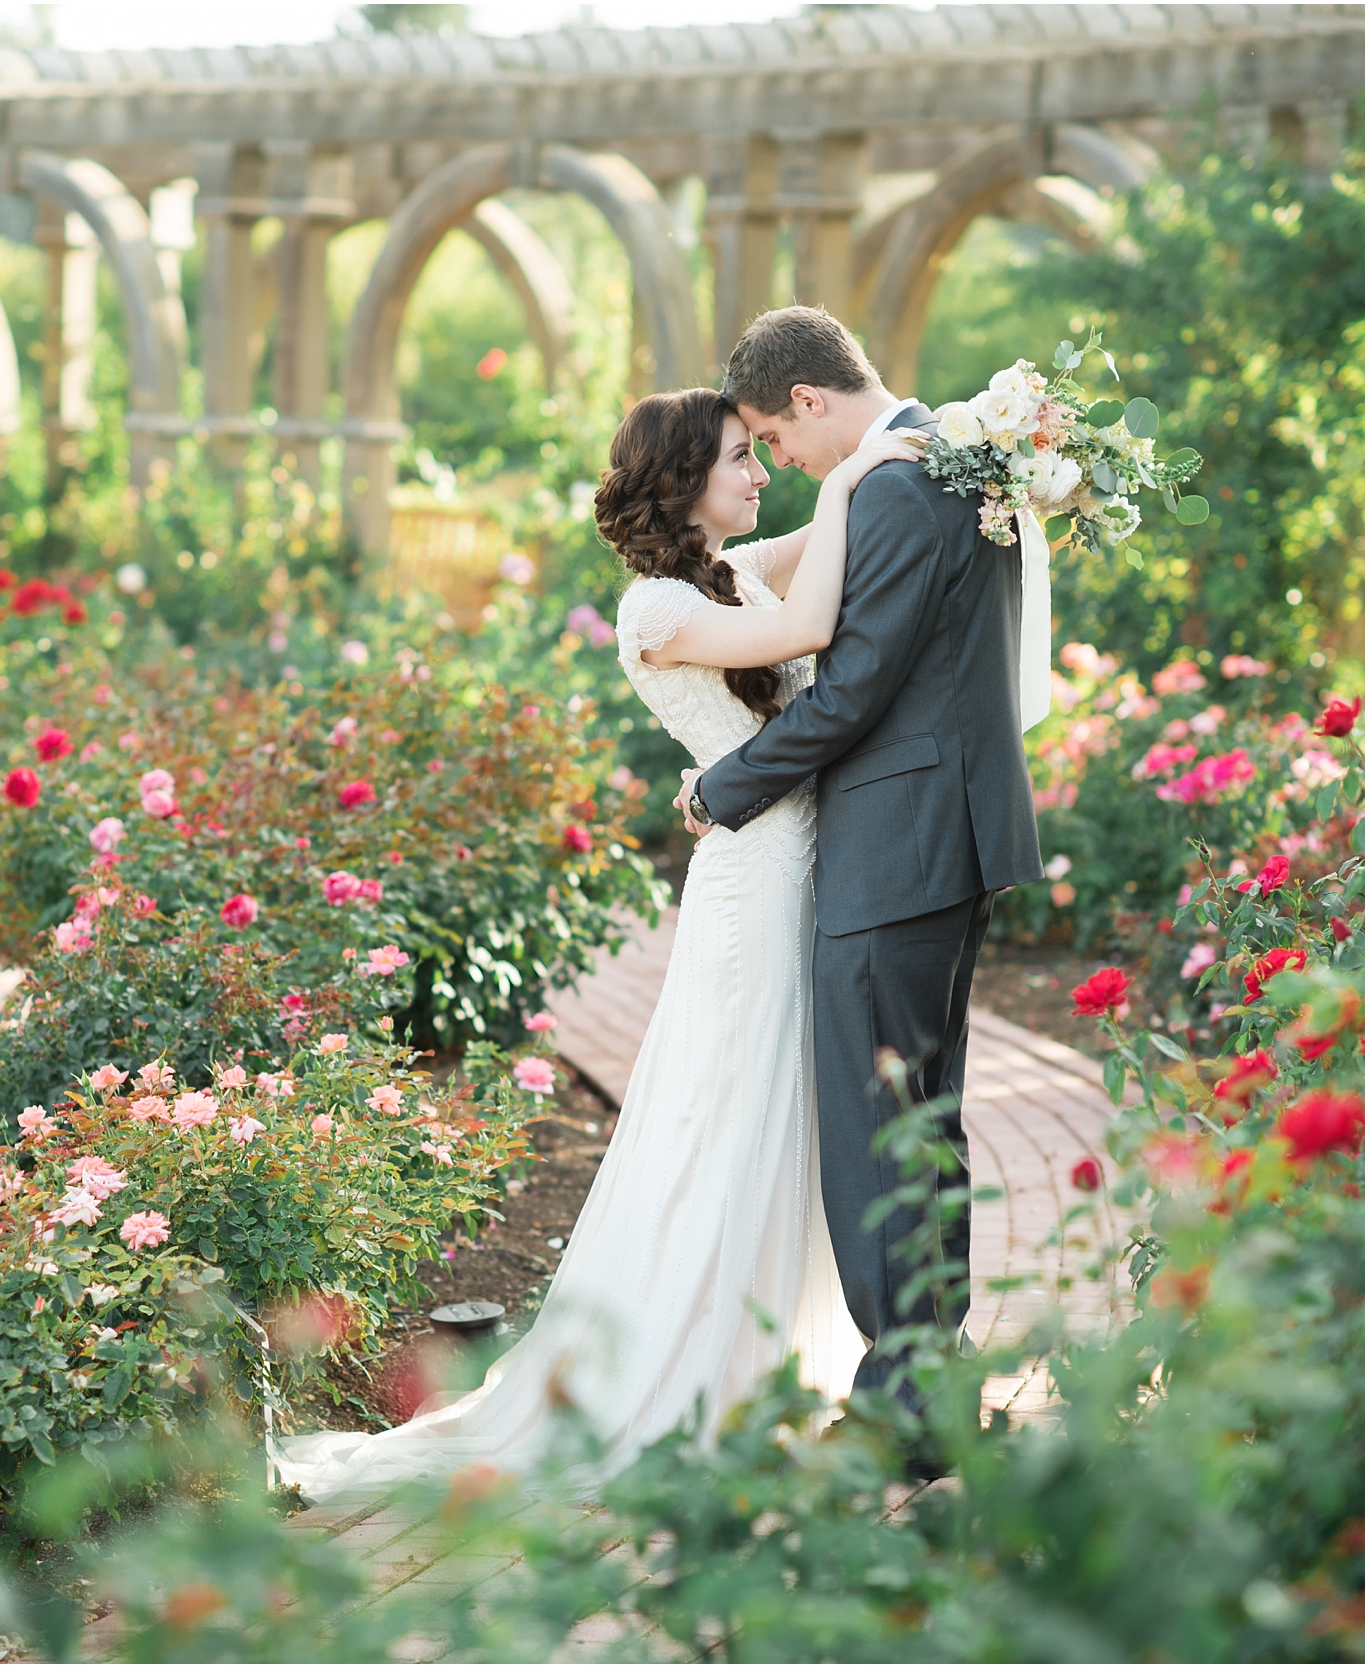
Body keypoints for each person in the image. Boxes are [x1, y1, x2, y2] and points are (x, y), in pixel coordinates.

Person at [268, 385, 925, 1505]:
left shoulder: (731, 569)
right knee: (729, 1120)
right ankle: (685, 1384)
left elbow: (827, 544)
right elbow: (810, 629)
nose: (761, 471)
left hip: (805, 869)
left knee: (788, 1121)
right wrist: (857, 472)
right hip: (755, 886)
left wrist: (886, 449)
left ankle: (769, 1373)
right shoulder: (656, 610)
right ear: (681, 481)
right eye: (736, 457)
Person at [681, 306, 1042, 1470]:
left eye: (775, 444)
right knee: (920, 1125)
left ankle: (903, 1412)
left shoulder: (894, 487)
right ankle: (932, 1393)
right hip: (951, 834)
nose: (780, 466)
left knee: (876, 1133)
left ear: (809, 402)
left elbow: (851, 696)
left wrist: (721, 788)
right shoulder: (949, 457)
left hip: (899, 847)